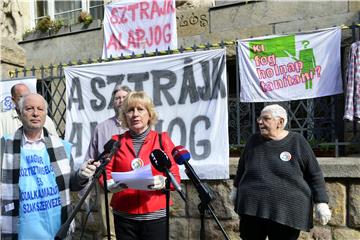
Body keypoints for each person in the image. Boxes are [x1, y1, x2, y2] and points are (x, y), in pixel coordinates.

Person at [0, 93, 100, 239]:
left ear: (46, 114)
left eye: (40, 109)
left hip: (56, 230)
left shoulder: (62, 146)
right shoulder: (5, 147)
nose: (35, 113)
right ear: (19, 113)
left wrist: (81, 175)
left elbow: (71, 183)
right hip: (21, 231)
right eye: (29, 109)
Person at [231, 104, 331, 240]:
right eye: (260, 118)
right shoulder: (253, 141)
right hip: (252, 207)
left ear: (280, 122)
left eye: (266, 118)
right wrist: (236, 189)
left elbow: (314, 174)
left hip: (287, 210)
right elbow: (242, 168)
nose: (259, 121)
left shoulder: (297, 142)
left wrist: (321, 203)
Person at [99, 91, 181, 240]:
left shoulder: (162, 140)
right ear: (125, 116)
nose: (135, 114)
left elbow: (175, 178)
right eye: (130, 110)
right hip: (124, 216)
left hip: (155, 217)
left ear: (149, 114)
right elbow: (104, 173)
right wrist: (109, 184)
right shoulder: (116, 141)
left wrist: (164, 182)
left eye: (140, 109)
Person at [84, 84, 131, 240]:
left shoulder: (138, 125)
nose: (121, 100)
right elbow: (91, 156)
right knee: (109, 231)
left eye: (124, 97)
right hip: (107, 183)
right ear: (113, 103)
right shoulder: (101, 128)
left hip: (133, 180)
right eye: (117, 98)